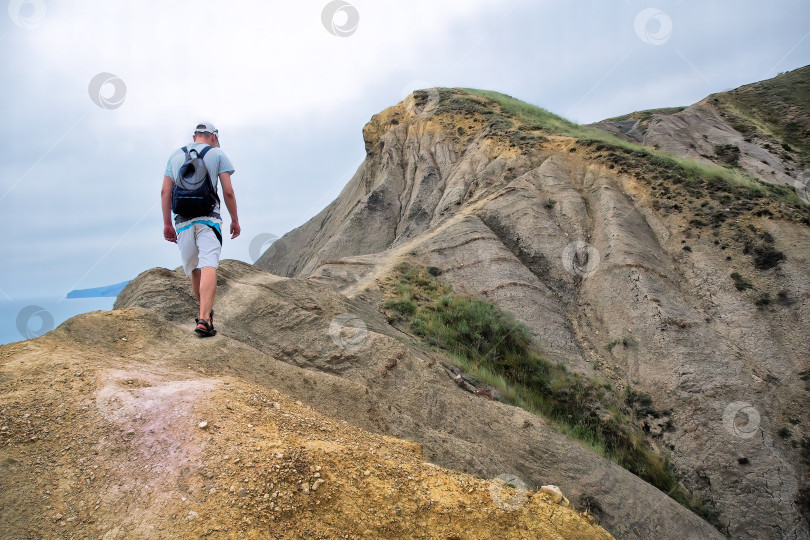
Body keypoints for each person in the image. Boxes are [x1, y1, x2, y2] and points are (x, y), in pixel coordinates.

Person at [161, 122, 240, 336]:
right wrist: (235, 220)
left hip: (183, 222)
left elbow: (165, 192)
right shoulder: (217, 154)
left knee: (195, 268)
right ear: (213, 137)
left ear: (195, 136)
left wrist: (167, 223)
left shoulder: (175, 156)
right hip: (209, 219)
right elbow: (228, 192)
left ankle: (204, 314)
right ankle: (204, 319)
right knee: (208, 265)